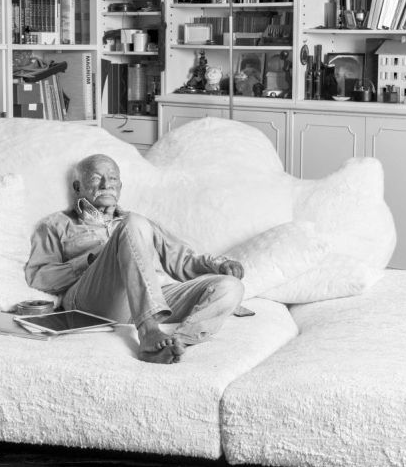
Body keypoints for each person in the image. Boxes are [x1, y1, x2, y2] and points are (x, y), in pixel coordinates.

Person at [25, 153, 246, 365]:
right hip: (92, 301)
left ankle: (179, 340)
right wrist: (88, 261)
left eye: (112, 179)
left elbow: (183, 262)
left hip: (144, 300)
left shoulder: (136, 222)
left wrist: (218, 265)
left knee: (230, 286)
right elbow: (39, 277)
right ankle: (149, 331)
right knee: (133, 224)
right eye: (95, 178)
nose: (106, 185)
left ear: (120, 188)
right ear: (77, 187)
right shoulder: (56, 224)